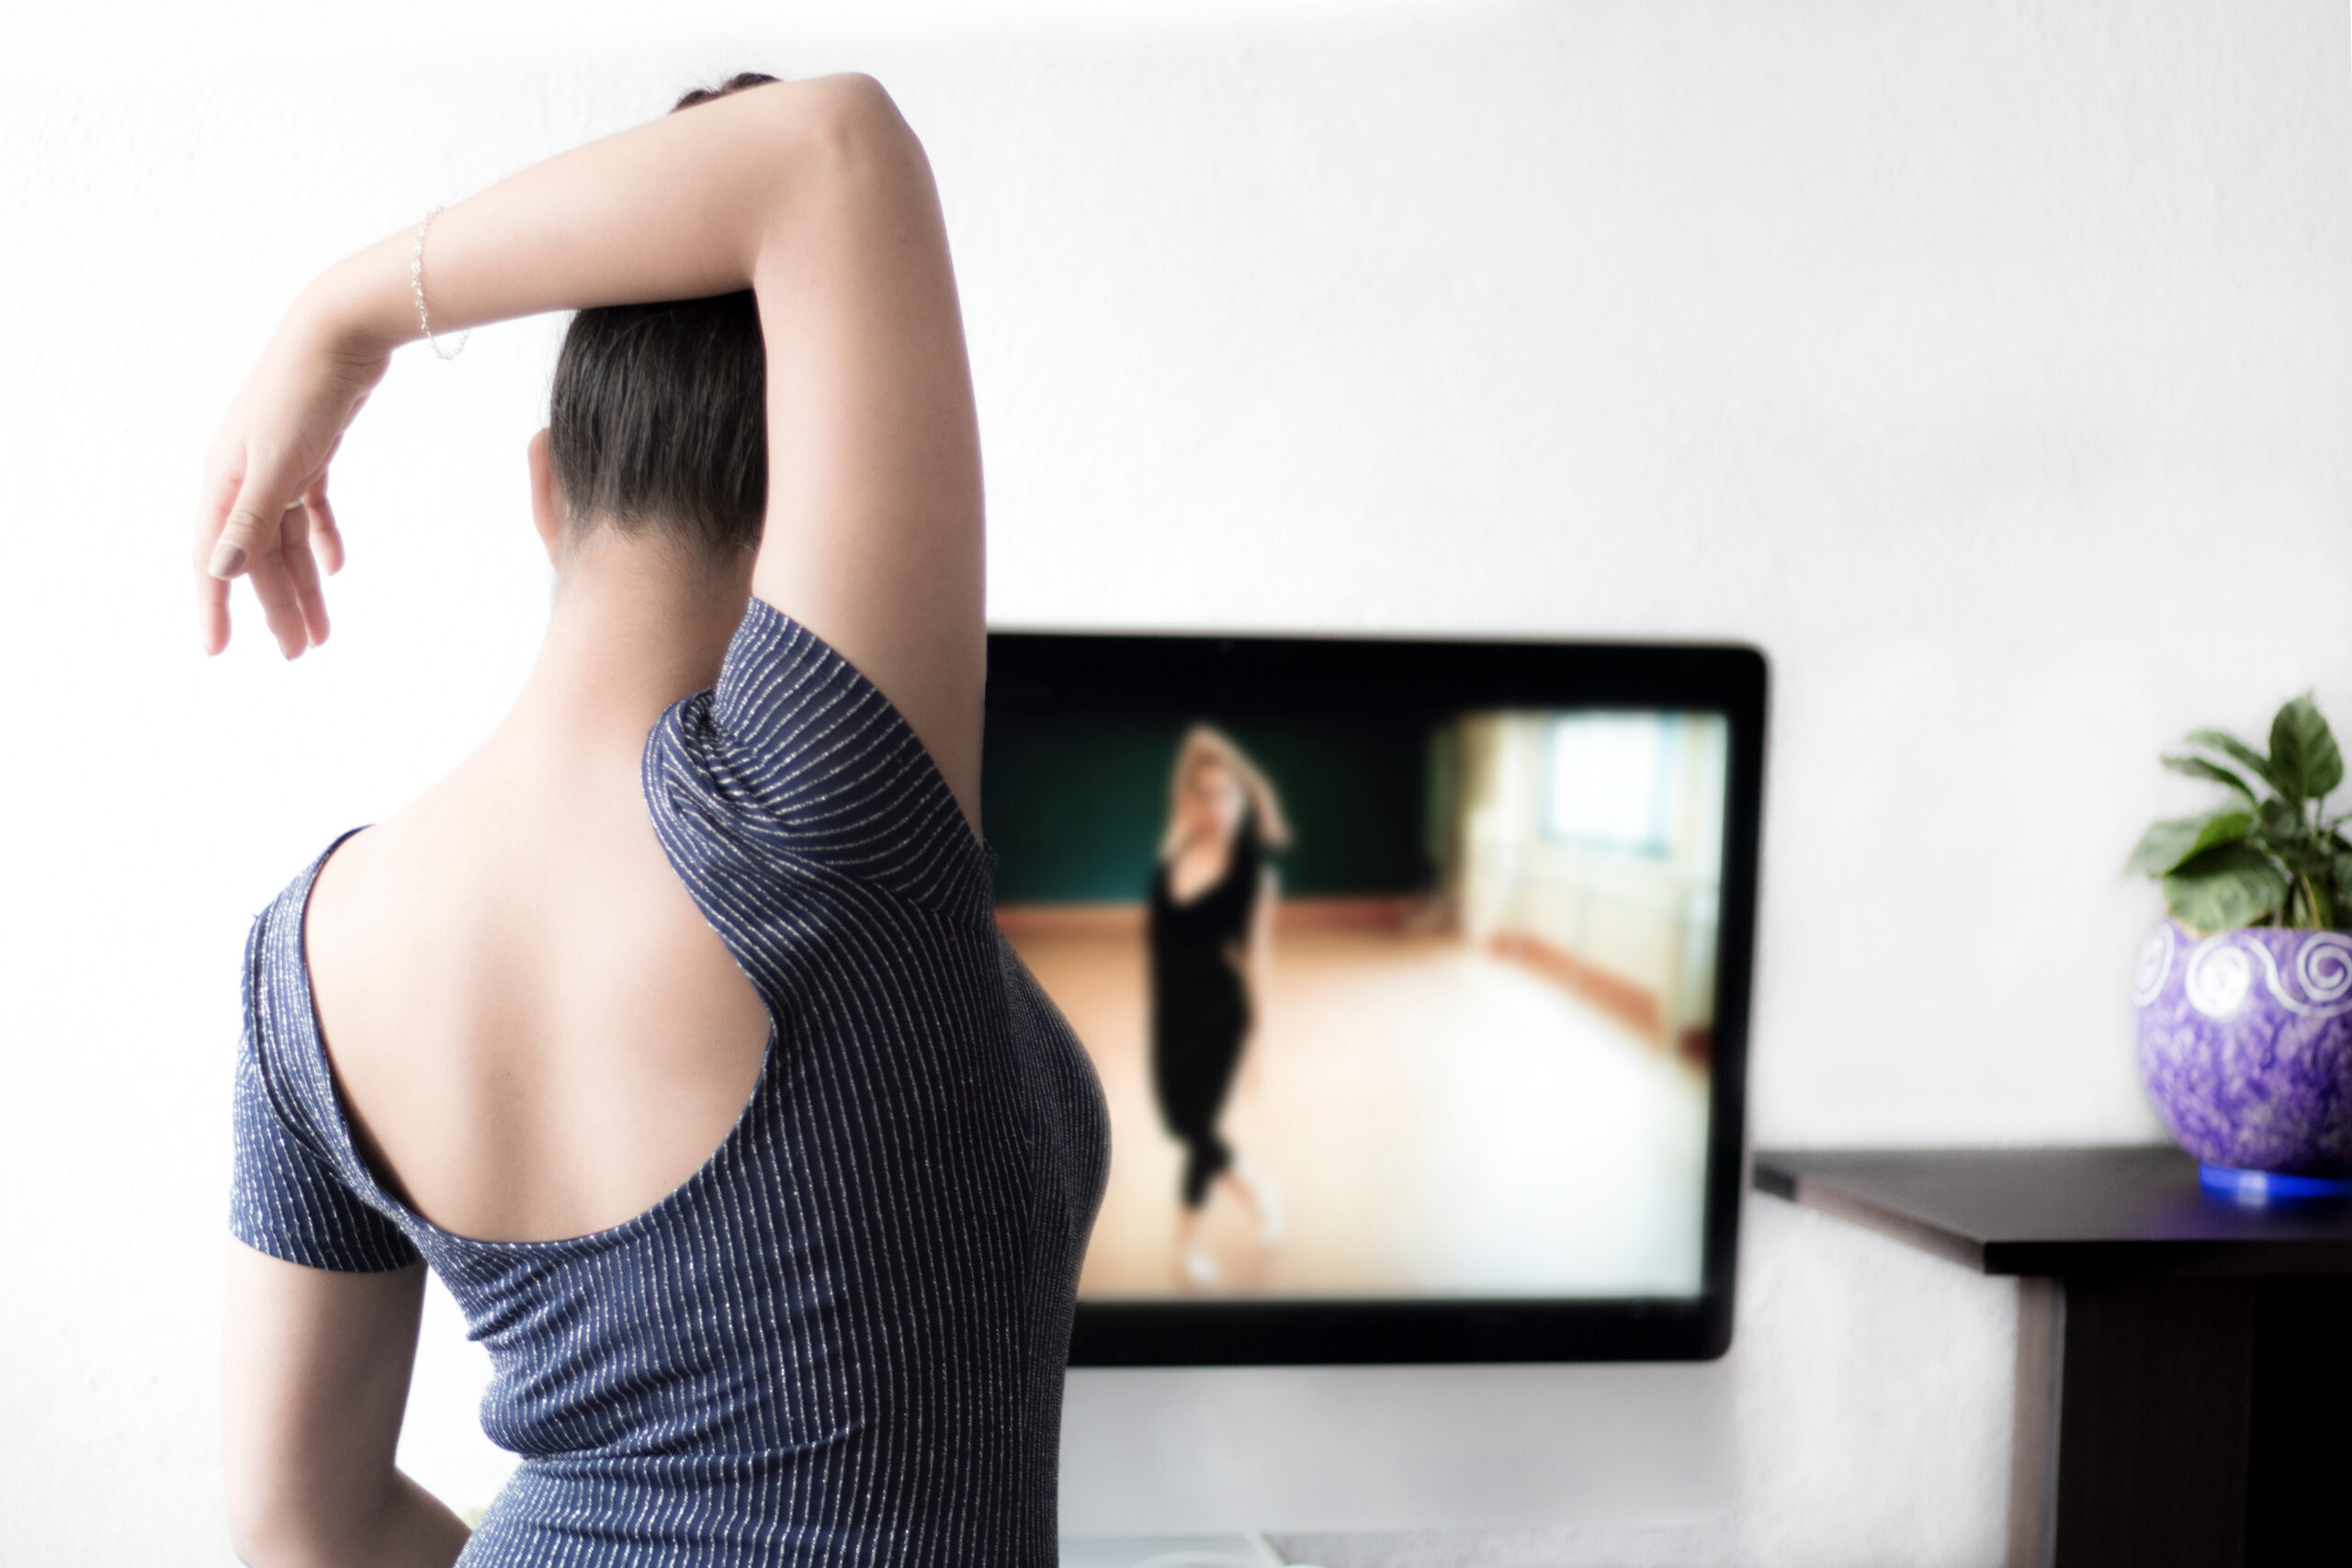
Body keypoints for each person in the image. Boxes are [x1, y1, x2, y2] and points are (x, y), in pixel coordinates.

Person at [200, 73, 1108, 1567]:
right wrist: (337, 316)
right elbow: (830, 147)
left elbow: (303, 1524)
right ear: (840, 493)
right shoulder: (822, 815)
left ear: (547, 492)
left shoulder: (302, 956)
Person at [1146, 725, 1290, 1286]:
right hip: (1169, 1016)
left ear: (1241, 802)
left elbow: (1259, 960)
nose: (1216, 805)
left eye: (1228, 794)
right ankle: (1258, 1193)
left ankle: (1184, 1248)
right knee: (1183, 1126)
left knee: (1199, 1132)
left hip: (1218, 1017)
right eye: (1205, 793)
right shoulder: (1176, 845)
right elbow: (1197, 743)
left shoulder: (1255, 875)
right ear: (1190, 800)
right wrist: (1248, 781)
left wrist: (1260, 1044)